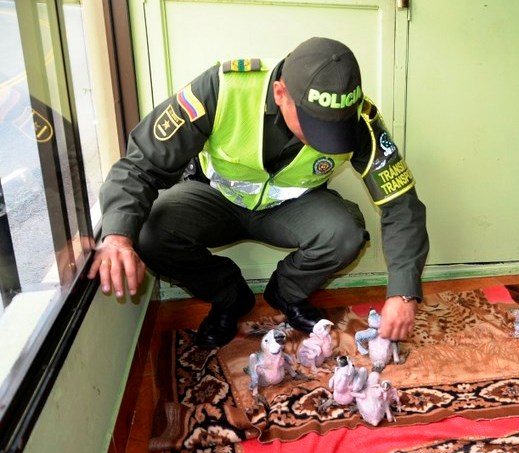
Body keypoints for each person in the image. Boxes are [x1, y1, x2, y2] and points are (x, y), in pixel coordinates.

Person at [87, 37, 429, 348]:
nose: (325, 139)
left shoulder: (362, 120)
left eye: (336, 128)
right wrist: (117, 236)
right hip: (216, 199)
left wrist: (402, 291)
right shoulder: (222, 88)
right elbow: (139, 164)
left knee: (345, 234)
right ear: (280, 93)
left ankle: (286, 294)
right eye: (315, 125)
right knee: (149, 233)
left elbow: (401, 204)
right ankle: (229, 297)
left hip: (290, 207)